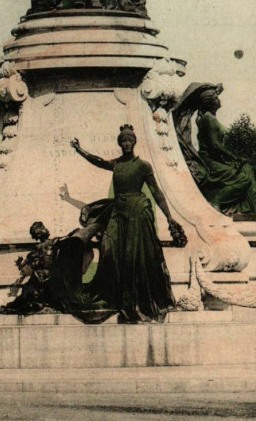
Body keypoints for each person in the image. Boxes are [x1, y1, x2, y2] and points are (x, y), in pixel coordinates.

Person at [70, 125, 187, 323]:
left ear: (134, 142)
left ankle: (136, 300)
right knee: (109, 249)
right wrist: (80, 150)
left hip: (138, 213)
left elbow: (156, 191)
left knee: (136, 256)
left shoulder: (143, 166)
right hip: (118, 211)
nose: (126, 143)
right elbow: (99, 162)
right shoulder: (117, 164)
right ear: (120, 143)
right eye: (123, 141)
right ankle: (115, 295)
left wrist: (169, 216)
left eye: (129, 140)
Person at [194, 87, 256, 216]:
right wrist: (235, 157)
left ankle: (254, 209)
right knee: (243, 179)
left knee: (247, 169)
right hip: (209, 162)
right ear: (210, 103)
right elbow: (215, 145)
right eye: (216, 98)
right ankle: (216, 202)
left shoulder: (210, 118)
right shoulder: (208, 120)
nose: (219, 100)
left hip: (216, 159)